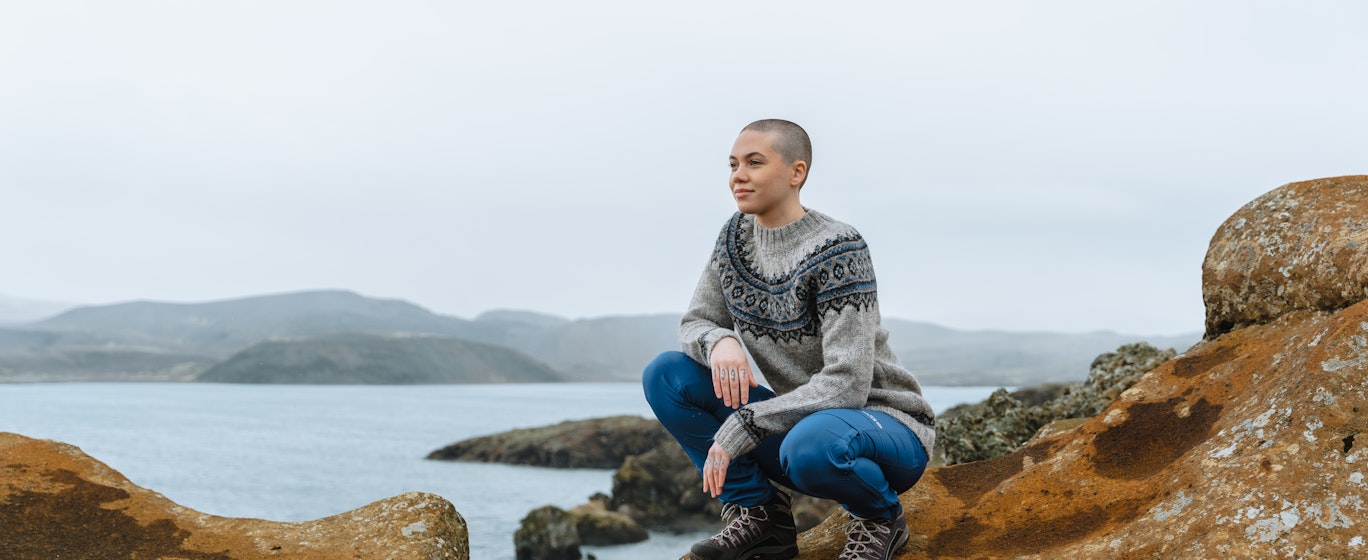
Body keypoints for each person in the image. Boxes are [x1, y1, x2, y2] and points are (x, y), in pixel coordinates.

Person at [642, 119, 936, 560]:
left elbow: (847, 384)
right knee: (667, 375)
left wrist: (748, 421)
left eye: (754, 163)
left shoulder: (838, 247)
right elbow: (696, 322)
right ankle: (762, 516)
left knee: (811, 445)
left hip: (884, 428)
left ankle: (881, 518)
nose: (738, 176)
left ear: (797, 172)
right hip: (805, 426)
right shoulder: (734, 238)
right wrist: (720, 340)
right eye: (733, 164)